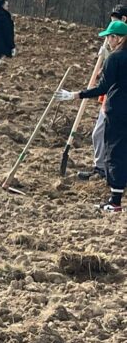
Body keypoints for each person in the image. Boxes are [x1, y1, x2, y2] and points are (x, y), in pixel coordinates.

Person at [57, 20, 127, 213]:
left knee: (114, 153)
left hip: (117, 111)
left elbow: (103, 88)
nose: (108, 41)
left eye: (110, 37)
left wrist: (76, 94)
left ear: (118, 38)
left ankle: (115, 202)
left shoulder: (115, 59)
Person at [81, 4, 127, 181]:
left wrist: (80, 94)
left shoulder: (120, 51)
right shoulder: (112, 44)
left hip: (116, 98)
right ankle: (103, 167)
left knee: (105, 134)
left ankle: (105, 169)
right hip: (113, 96)